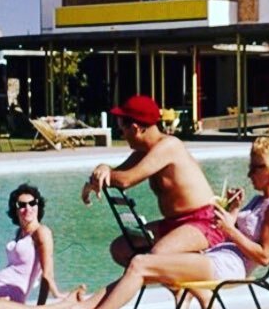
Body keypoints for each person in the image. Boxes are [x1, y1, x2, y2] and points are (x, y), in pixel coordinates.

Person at [45, 136, 269, 309]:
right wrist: (234, 210)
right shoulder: (259, 199)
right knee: (141, 262)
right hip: (215, 257)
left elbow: (264, 256)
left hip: (228, 267)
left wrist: (230, 230)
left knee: (141, 263)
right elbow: (238, 229)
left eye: (256, 166)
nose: (250, 173)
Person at [81, 94, 223, 264]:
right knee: (120, 248)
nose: (123, 136)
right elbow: (116, 174)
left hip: (204, 222)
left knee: (157, 255)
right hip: (174, 223)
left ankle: (197, 290)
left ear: (135, 128)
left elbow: (126, 180)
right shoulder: (143, 151)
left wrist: (106, 175)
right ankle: (180, 290)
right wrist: (100, 172)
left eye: (122, 130)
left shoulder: (169, 146)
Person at [0, 184, 70, 303]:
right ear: (15, 210)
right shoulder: (19, 233)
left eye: (32, 203)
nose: (28, 208)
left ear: (38, 205)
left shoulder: (42, 232)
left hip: (9, 295)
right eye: (22, 205)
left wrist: (42, 307)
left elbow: (47, 274)